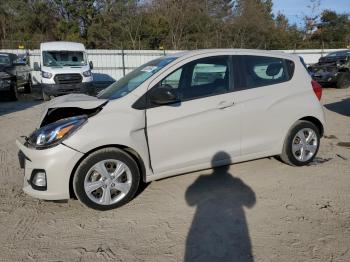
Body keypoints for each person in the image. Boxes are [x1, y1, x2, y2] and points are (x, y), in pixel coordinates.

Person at [185, 151, 256, 262]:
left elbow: (190, 200)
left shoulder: (202, 179)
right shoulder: (236, 182)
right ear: (229, 166)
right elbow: (251, 202)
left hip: (205, 238)